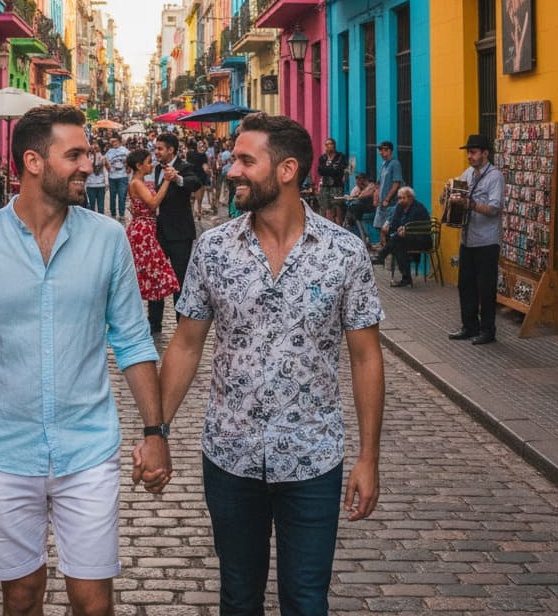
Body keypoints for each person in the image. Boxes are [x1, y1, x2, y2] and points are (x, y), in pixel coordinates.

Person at [0, 105, 172, 616]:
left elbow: (132, 341)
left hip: (89, 448)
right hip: (4, 452)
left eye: (88, 152)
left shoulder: (108, 240)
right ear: (34, 162)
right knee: (20, 596)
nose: (90, 164)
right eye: (75, 154)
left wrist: (156, 434)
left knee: (93, 601)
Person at [154, 112, 384, 616]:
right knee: (239, 597)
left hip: (312, 457)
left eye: (244, 160)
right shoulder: (213, 248)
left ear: (286, 170)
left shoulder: (344, 253)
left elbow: (366, 356)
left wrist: (368, 457)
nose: (231, 170)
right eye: (234, 158)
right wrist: (157, 430)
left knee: (305, 600)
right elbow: (187, 343)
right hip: (230, 456)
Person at [446, 134, 505, 345]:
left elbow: (494, 208)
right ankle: (469, 326)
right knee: (465, 285)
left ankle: (488, 331)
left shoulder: (495, 176)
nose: (469, 156)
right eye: (468, 153)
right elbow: (458, 189)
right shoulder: (469, 173)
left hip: (487, 241)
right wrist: (448, 195)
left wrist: (470, 205)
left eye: (473, 152)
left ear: (485, 153)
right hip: (468, 239)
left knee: (486, 287)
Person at [150, 132, 200, 333]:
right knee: (156, 278)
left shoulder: (184, 167)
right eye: (156, 148)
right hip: (160, 232)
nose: (157, 152)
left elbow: (194, 182)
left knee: (180, 279)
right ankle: (154, 322)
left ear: (171, 150)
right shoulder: (155, 169)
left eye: (160, 149)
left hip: (180, 233)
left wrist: (177, 178)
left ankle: (181, 324)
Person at [125, 149, 180, 329]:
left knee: (150, 270)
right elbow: (153, 203)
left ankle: (150, 318)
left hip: (147, 228)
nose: (151, 164)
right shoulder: (137, 183)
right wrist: (166, 181)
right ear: (139, 166)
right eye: (148, 162)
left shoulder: (139, 181)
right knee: (148, 271)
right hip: (144, 231)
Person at [374, 186, 431, 287]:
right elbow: (395, 225)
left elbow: (421, 228)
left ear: (410, 198)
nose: (400, 200)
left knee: (397, 242)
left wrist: (406, 230)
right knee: (398, 245)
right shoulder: (399, 207)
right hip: (404, 240)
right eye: (399, 198)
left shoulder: (418, 208)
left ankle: (381, 257)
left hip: (421, 240)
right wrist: (395, 229)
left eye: (402, 198)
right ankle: (406, 278)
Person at [372, 141, 403, 243]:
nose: (381, 153)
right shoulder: (384, 165)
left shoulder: (395, 164)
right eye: (380, 150)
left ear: (390, 151)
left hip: (391, 203)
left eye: (384, 150)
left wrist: (387, 198)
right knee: (379, 227)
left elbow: (396, 184)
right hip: (381, 203)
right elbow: (378, 183)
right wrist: (376, 197)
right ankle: (384, 249)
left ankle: (387, 253)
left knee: (387, 229)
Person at [316, 138, 348, 223]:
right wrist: (331, 169)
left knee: (337, 208)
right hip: (325, 186)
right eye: (326, 144)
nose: (328, 146)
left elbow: (339, 171)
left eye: (330, 144)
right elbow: (320, 171)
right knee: (323, 208)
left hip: (336, 186)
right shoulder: (323, 158)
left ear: (334, 145)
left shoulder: (340, 157)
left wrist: (328, 170)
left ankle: (339, 228)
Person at [343, 172, 377, 243]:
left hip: (370, 207)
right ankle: (349, 223)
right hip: (360, 209)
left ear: (364, 180)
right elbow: (355, 195)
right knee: (352, 206)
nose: (357, 184)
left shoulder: (371, 186)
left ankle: (350, 223)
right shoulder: (359, 188)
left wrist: (360, 193)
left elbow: (362, 196)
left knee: (354, 205)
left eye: (359, 181)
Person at [104, 134, 131, 220]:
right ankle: (113, 213)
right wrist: (108, 168)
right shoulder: (109, 151)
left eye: (114, 141)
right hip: (112, 177)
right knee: (112, 196)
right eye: (112, 141)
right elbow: (105, 162)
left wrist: (128, 168)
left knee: (122, 196)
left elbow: (130, 162)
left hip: (123, 177)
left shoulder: (126, 151)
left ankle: (122, 214)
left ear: (119, 141)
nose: (113, 143)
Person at [185, 139, 211, 220]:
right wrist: (209, 172)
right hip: (200, 179)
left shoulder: (188, 154)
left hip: (191, 178)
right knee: (199, 200)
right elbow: (205, 168)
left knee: (192, 199)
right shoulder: (203, 155)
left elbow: (187, 164)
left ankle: (192, 213)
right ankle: (199, 212)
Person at [84, 139, 108, 213]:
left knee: (101, 206)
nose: (95, 146)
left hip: (101, 184)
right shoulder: (86, 157)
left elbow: (106, 170)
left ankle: (101, 222)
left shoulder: (103, 156)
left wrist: (107, 182)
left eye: (97, 144)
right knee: (91, 206)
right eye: (93, 143)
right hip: (90, 185)